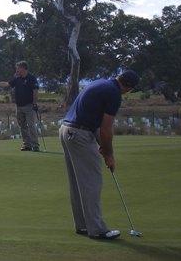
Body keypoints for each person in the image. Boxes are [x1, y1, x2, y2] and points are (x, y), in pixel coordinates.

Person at [59, 70, 140, 239]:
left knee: (78, 183)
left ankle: (83, 225)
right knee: (92, 182)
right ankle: (97, 229)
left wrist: (104, 148)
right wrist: (109, 155)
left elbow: (96, 124)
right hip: (79, 134)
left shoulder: (101, 83)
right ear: (128, 88)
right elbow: (106, 129)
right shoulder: (114, 94)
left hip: (67, 130)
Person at [0, 61, 40, 151]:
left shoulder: (31, 78)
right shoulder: (17, 79)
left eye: (18, 68)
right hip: (19, 106)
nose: (17, 70)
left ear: (23, 68)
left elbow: (35, 91)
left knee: (31, 125)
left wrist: (34, 103)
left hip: (29, 106)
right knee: (22, 126)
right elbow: (6, 84)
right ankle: (27, 145)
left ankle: (35, 145)